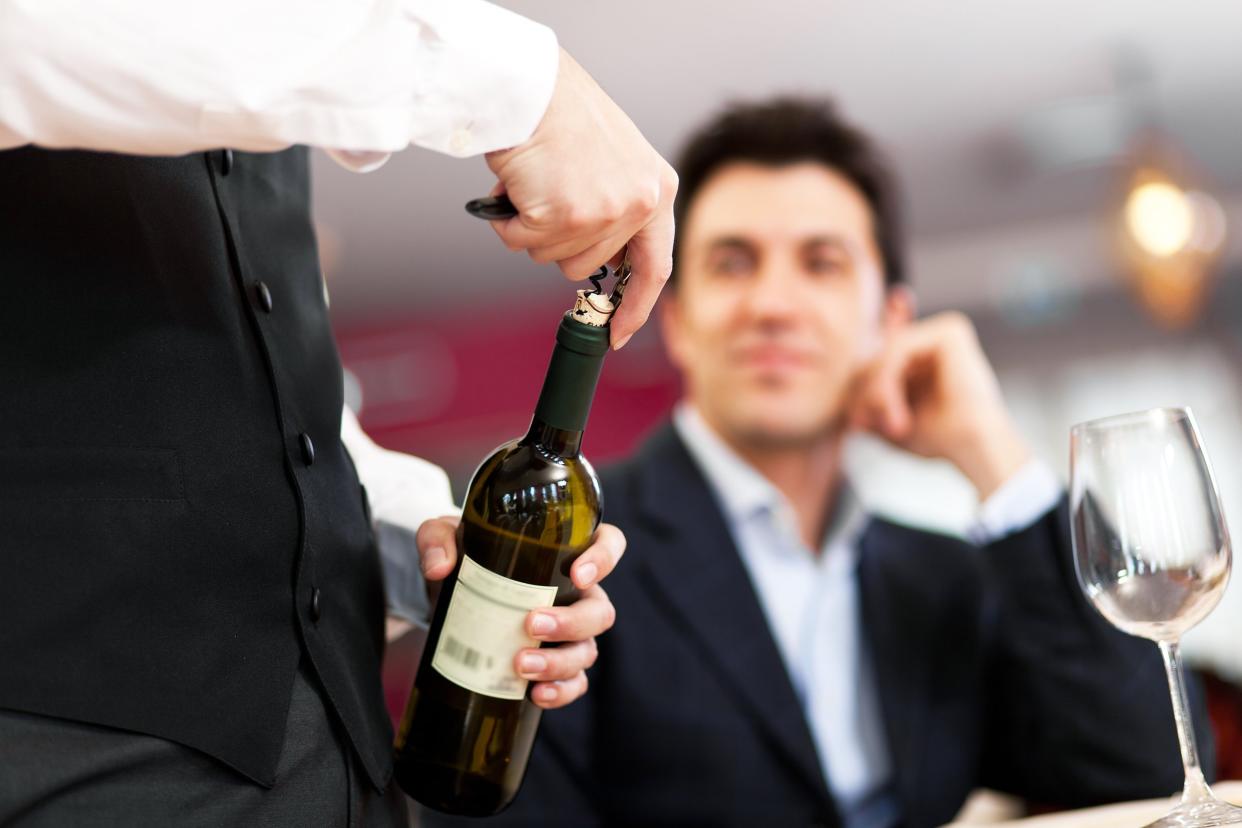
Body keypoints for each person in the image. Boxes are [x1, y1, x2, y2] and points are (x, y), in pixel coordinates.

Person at [434, 98, 1213, 828]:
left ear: (891, 320)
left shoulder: (943, 578)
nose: (774, 303)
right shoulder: (571, 554)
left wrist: (994, 456)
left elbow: (1148, 771)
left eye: (823, 262)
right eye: (733, 263)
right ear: (677, 322)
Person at [0, 2, 675, 825]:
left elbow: (271, 394)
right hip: (74, 743)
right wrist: (526, 84)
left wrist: (433, 557)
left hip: (344, 761)